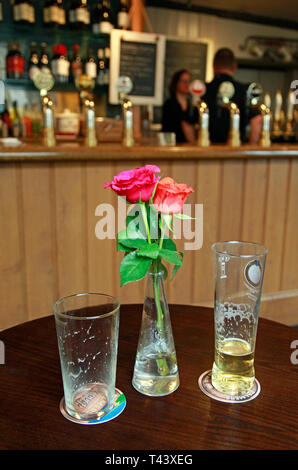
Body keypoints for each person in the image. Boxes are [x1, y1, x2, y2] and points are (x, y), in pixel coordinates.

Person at [204, 48, 262, 144]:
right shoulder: (244, 90)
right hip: (236, 150)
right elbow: (257, 120)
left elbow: (188, 122)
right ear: (234, 67)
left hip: (206, 150)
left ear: (213, 66)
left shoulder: (203, 90)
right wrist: (252, 148)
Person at [162, 69, 198, 144]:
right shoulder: (169, 104)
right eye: (184, 81)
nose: (187, 85)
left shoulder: (193, 105)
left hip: (189, 147)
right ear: (176, 83)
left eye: (189, 81)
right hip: (171, 146)